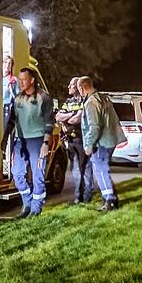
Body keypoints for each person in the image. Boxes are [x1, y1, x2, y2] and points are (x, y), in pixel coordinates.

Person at [0, 68, 55, 218]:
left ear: (32, 80)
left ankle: (36, 208)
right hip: (20, 141)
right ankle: (28, 202)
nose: (21, 82)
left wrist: (45, 142)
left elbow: (49, 121)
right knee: (17, 174)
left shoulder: (44, 97)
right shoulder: (18, 98)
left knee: (38, 175)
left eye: (24, 79)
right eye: (20, 79)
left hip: (37, 140)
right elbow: (12, 120)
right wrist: (5, 138)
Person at [78, 76, 126, 212]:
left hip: (101, 143)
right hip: (110, 140)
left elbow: (94, 127)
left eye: (79, 89)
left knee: (100, 171)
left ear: (83, 88)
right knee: (103, 169)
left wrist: (88, 144)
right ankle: (113, 198)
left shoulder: (91, 103)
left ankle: (109, 200)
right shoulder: (104, 98)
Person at [56, 77, 93, 205]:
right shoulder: (69, 101)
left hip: (82, 139)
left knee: (85, 168)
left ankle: (85, 196)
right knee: (76, 168)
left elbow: (77, 120)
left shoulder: (86, 101)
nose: (68, 87)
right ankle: (80, 197)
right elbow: (58, 116)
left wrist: (70, 117)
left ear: (78, 86)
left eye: (71, 85)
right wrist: (72, 114)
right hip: (71, 140)